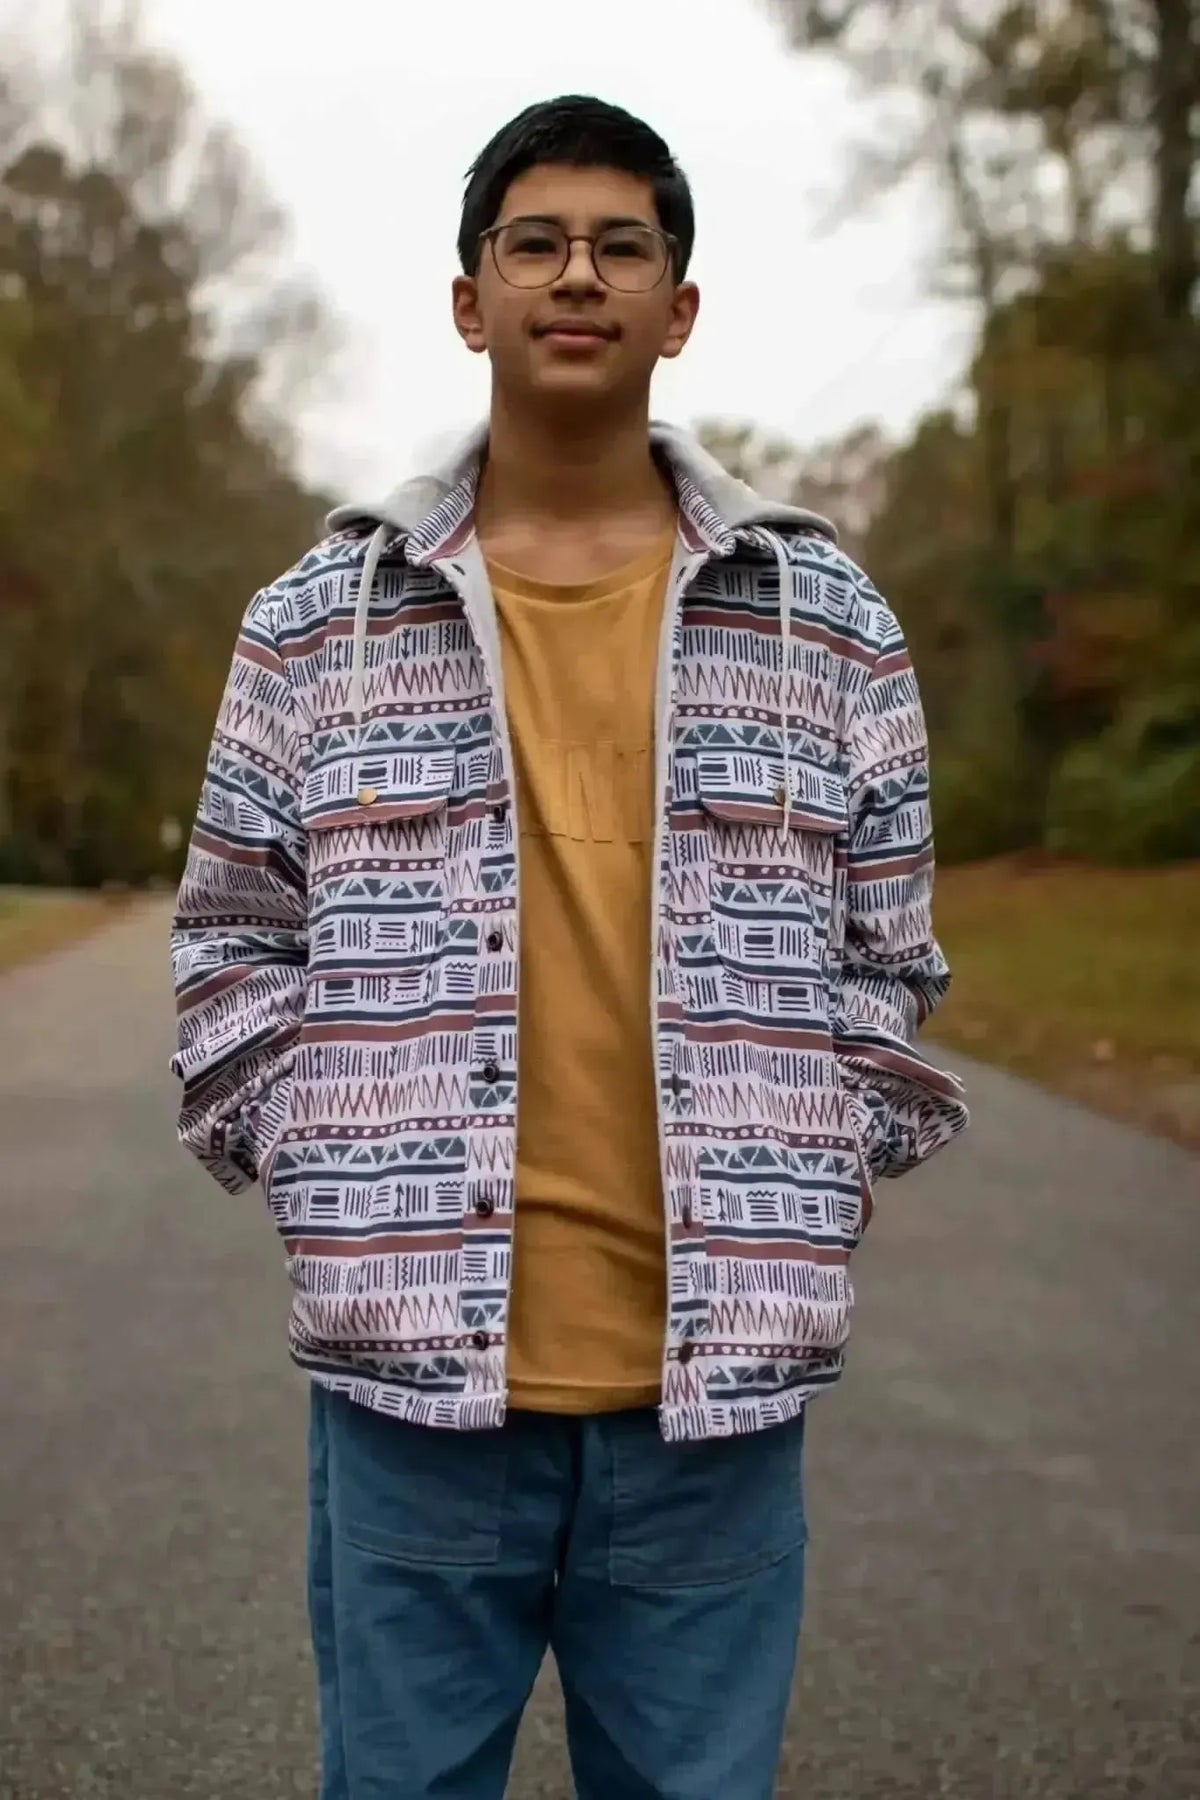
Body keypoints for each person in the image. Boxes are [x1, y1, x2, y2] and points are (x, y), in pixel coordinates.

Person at [171, 93, 968, 1800]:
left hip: (714, 1407)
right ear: (471, 300)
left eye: (623, 245)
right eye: (534, 243)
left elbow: (891, 967)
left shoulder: (827, 622)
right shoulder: (319, 622)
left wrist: (812, 1168)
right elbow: (232, 945)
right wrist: (329, 1174)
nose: (577, 274)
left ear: (680, 309)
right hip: (414, 1397)